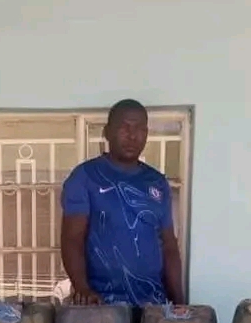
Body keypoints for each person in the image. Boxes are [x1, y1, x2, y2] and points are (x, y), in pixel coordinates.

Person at [60, 99, 184, 306]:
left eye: (139, 129)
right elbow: (72, 239)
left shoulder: (157, 182)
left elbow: (169, 246)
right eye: (124, 127)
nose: (132, 136)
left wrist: (179, 303)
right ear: (107, 132)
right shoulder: (85, 177)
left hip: (152, 306)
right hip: (100, 305)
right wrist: (82, 288)